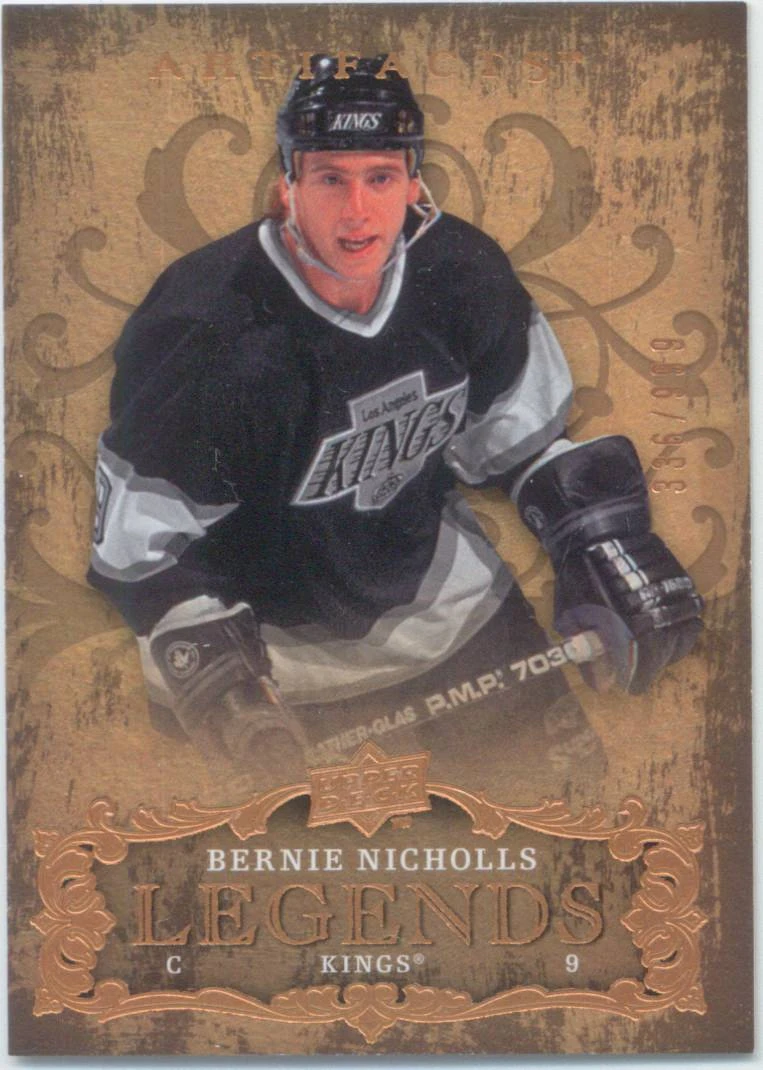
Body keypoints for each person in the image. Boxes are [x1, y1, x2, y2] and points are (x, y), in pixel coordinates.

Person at [87, 55, 703, 791]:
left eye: (380, 178)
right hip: (276, 668)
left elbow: (517, 441)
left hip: (452, 615)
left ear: (414, 183)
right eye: (330, 179)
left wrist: (602, 545)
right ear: (286, 187)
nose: (357, 211)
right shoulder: (203, 325)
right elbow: (139, 548)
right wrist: (219, 684)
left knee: (564, 819)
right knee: (295, 862)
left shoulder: (462, 272)